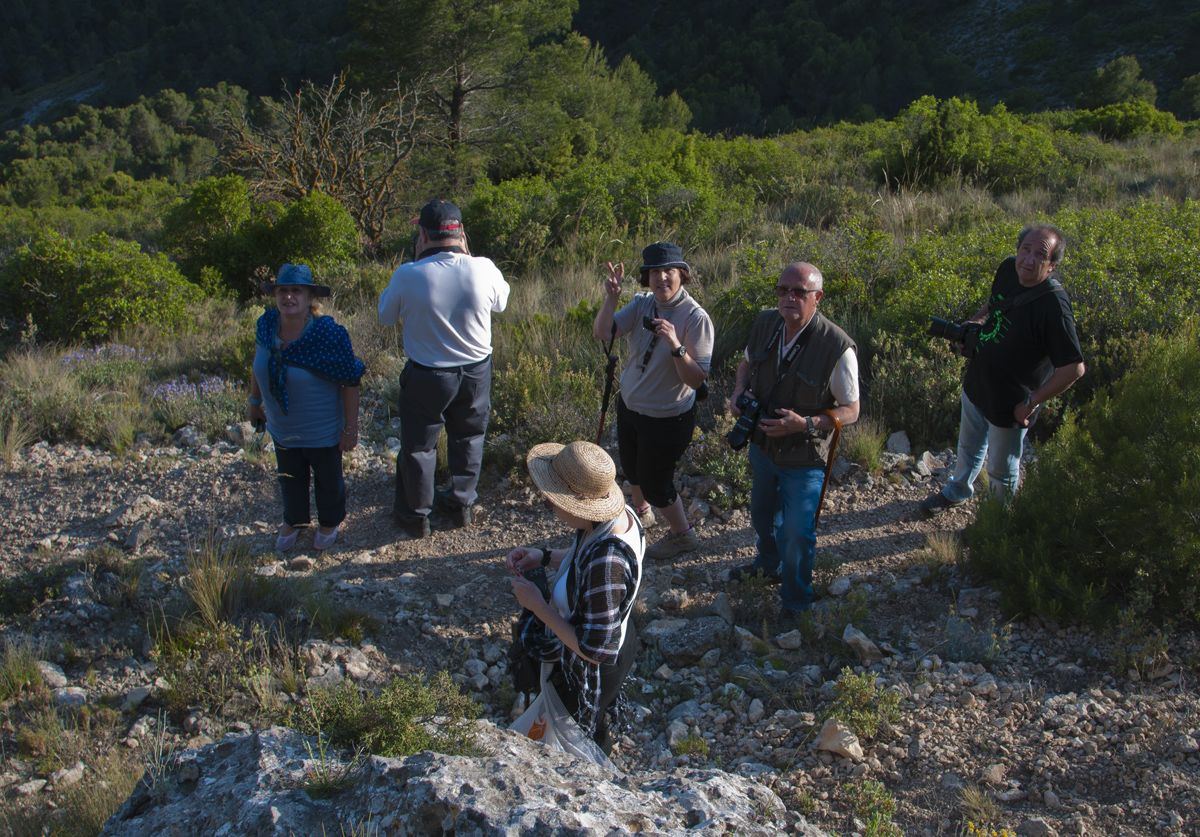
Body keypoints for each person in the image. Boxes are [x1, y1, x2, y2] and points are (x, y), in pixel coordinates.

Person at [920, 225, 1085, 515]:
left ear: (1052, 266)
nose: (1028, 260)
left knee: (1001, 469)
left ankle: (995, 523)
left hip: (1012, 402)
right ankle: (957, 491)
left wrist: (1031, 403)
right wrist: (974, 324)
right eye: (1025, 250)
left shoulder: (1054, 306)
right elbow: (996, 302)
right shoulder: (1009, 268)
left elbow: (1073, 368)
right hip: (978, 382)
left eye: (1040, 255)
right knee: (968, 448)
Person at [727, 262, 859, 616]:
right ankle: (768, 565)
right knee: (761, 515)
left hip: (804, 457)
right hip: (763, 446)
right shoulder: (766, 323)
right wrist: (739, 391)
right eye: (782, 290)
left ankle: (797, 601)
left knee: (798, 532)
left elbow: (851, 410)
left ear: (818, 297)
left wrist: (805, 424)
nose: (789, 297)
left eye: (799, 292)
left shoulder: (836, 346)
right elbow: (746, 364)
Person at [378, 199, 510, 539]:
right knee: (469, 437)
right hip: (476, 371)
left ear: (423, 235)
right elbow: (501, 302)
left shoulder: (408, 274)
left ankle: (416, 516)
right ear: (461, 232)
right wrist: (470, 256)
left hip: (427, 374)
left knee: (420, 447)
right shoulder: (484, 268)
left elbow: (385, 316)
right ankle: (461, 504)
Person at [506, 440, 645, 754]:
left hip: (591, 670)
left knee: (578, 740)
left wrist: (537, 606)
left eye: (553, 502)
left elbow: (594, 650)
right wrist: (544, 557)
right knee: (589, 727)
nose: (550, 507)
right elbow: (584, 560)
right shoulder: (620, 516)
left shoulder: (608, 561)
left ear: (576, 506)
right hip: (622, 640)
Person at [591, 241, 714, 560]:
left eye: (669, 270)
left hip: (667, 417)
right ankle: (642, 514)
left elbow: (696, 379)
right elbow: (603, 332)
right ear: (647, 277)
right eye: (655, 272)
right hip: (631, 407)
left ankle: (683, 535)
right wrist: (612, 298)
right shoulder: (642, 303)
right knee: (632, 469)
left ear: (682, 274)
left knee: (655, 482)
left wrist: (674, 343)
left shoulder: (695, 317)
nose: (662, 278)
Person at [248, 264, 365, 552]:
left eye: (296, 291)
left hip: (322, 430)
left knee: (328, 481)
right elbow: (257, 366)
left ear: (309, 297)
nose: (288, 297)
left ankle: (329, 522)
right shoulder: (266, 326)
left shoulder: (328, 334)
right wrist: (254, 402)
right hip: (282, 427)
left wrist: (350, 429)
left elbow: (350, 381)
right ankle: (295, 520)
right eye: (283, 291)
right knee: (290, 478)